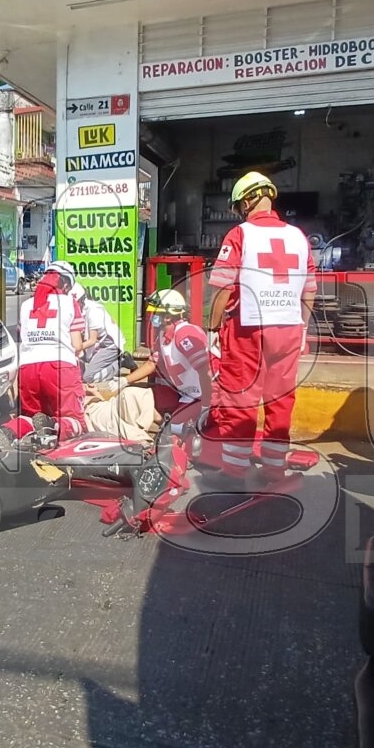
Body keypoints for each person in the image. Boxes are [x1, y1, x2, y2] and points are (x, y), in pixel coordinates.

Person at [199, 171, 317, 490]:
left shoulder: (240, 234)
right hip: (290, 328)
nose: (240, 211)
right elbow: (310, 289)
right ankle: (273, 471)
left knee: (241, 400)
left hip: (248, 330)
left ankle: (235, 472)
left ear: (248, 200)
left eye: (240, 205)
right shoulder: (298, 236)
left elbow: (222, 287)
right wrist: (303, 327)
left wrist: (211, 329)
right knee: (280, 401)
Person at [126, 288, 211, 505]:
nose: (152, 317)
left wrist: (206, 405)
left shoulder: (185, 335)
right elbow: (152, 363)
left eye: (156, 313)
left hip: (204, 394)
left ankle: (174, 478)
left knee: (173, 434)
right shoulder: (164, 337)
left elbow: (206, 370)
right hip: (189, 395)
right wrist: (124, 381)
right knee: (170, 429)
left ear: (170, 314)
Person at [0, 260, 88, 446]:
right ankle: (52, 425)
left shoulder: (27, 305)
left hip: (28, 368)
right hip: (60, 367)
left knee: (30, 415)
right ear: (66, 284)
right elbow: (76, 345)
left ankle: (8, 431)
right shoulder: (70, 303)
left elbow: (24, 335)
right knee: (76, 422)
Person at [72, 282, 125, 384]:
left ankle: (119, 364)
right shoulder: (79, 310)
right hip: (99, 344)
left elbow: (92, 340)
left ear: (81, 299)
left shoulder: (93, 311)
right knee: (79, 371)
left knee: (88, 377)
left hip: (111, 345)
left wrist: (74, 348)